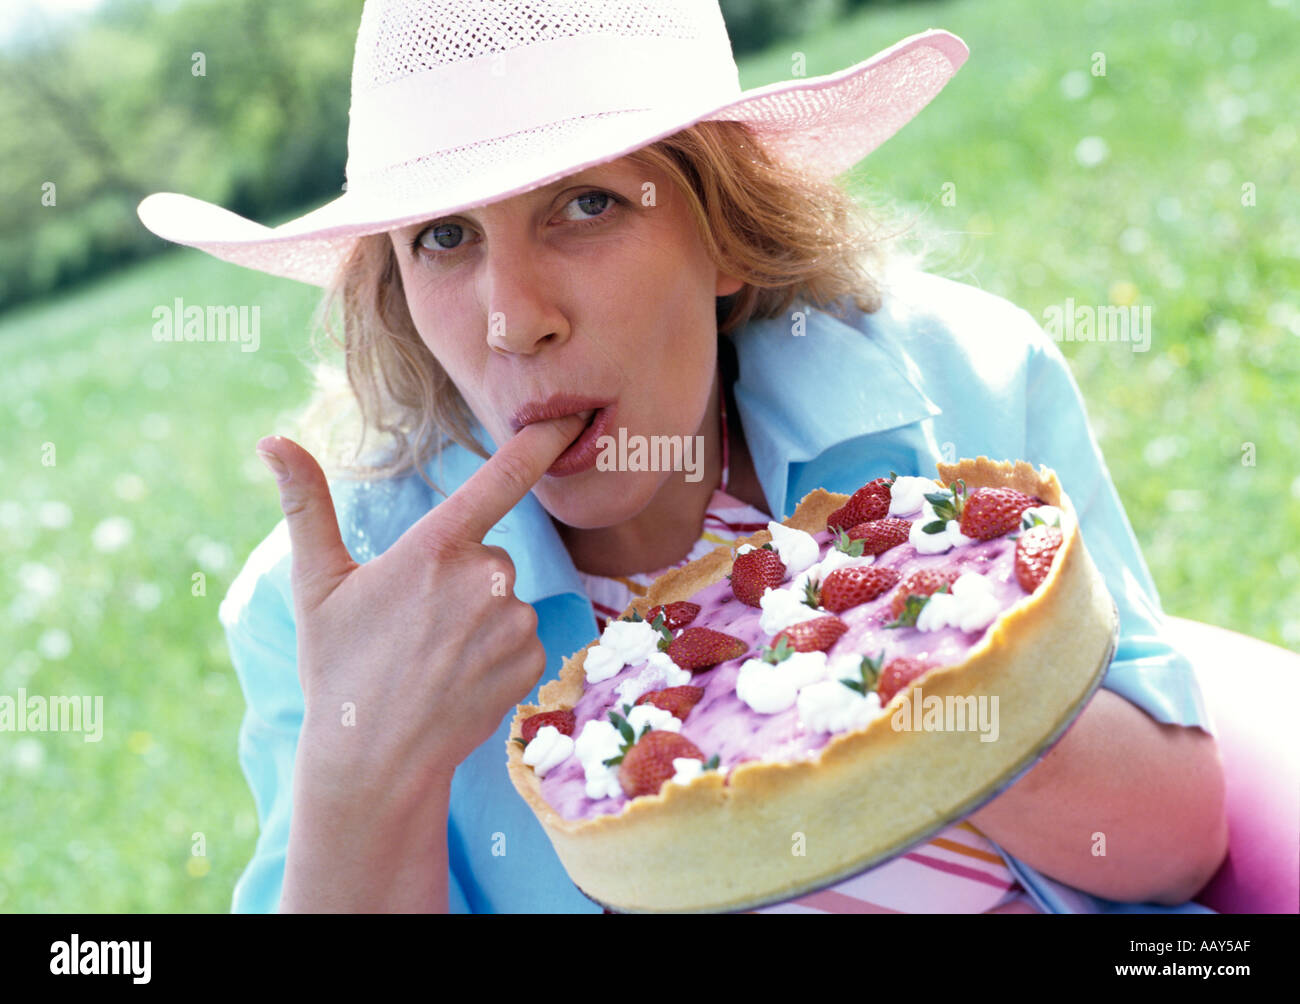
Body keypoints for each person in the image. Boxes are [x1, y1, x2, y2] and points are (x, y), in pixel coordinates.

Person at [137, 0, 1227, 913]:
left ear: (720, 229)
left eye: (586, 203)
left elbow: (1177, 841)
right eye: (445, 236)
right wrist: (363, 758)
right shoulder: (320, 610)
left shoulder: (962, 378)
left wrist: (874, 654)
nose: (513, 318)